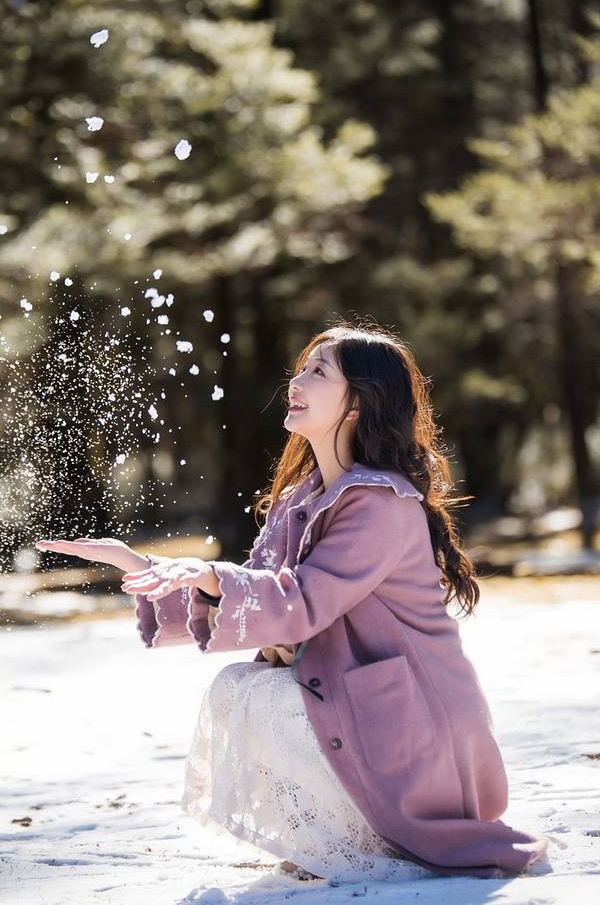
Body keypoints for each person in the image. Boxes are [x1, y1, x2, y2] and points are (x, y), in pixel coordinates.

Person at [36, 319, 552, 884]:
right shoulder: (301, 500)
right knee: (245, 686)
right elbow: (254, 595)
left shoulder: (381, 504)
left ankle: (363, 837)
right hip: (368, 707)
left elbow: (299, 602)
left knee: (255, 694)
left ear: (358, 402)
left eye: (318, 371)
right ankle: (344, 835)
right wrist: (142, 565)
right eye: (301, 367)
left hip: (420, 728)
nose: (297, 381)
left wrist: (210, 574)